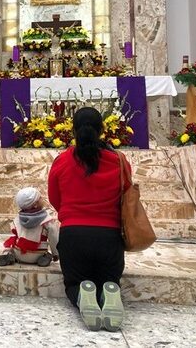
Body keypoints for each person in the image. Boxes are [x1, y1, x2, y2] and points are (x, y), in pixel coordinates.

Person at [47, 107, 130, 332]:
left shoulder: (62, 161)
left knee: (74, 283)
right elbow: (127, 194)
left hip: (74, 235)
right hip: (109, 237)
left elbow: (55, 198)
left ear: (72, 130)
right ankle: (109, 291)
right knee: (109, 279)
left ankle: (83, 295)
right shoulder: (118, 161)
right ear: (102, 130)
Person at [0, 187, 59, 267]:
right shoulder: (47, 220)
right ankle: (46, 258)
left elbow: (14, 230)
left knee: (11, 246)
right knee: (48, 254)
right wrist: (55, 253)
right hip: (37, 254)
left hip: (19, 252)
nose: (42, 198)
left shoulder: (18, 218)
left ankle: (10, 255)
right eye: (40, 198)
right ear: (35, 204)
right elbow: (54, 238)